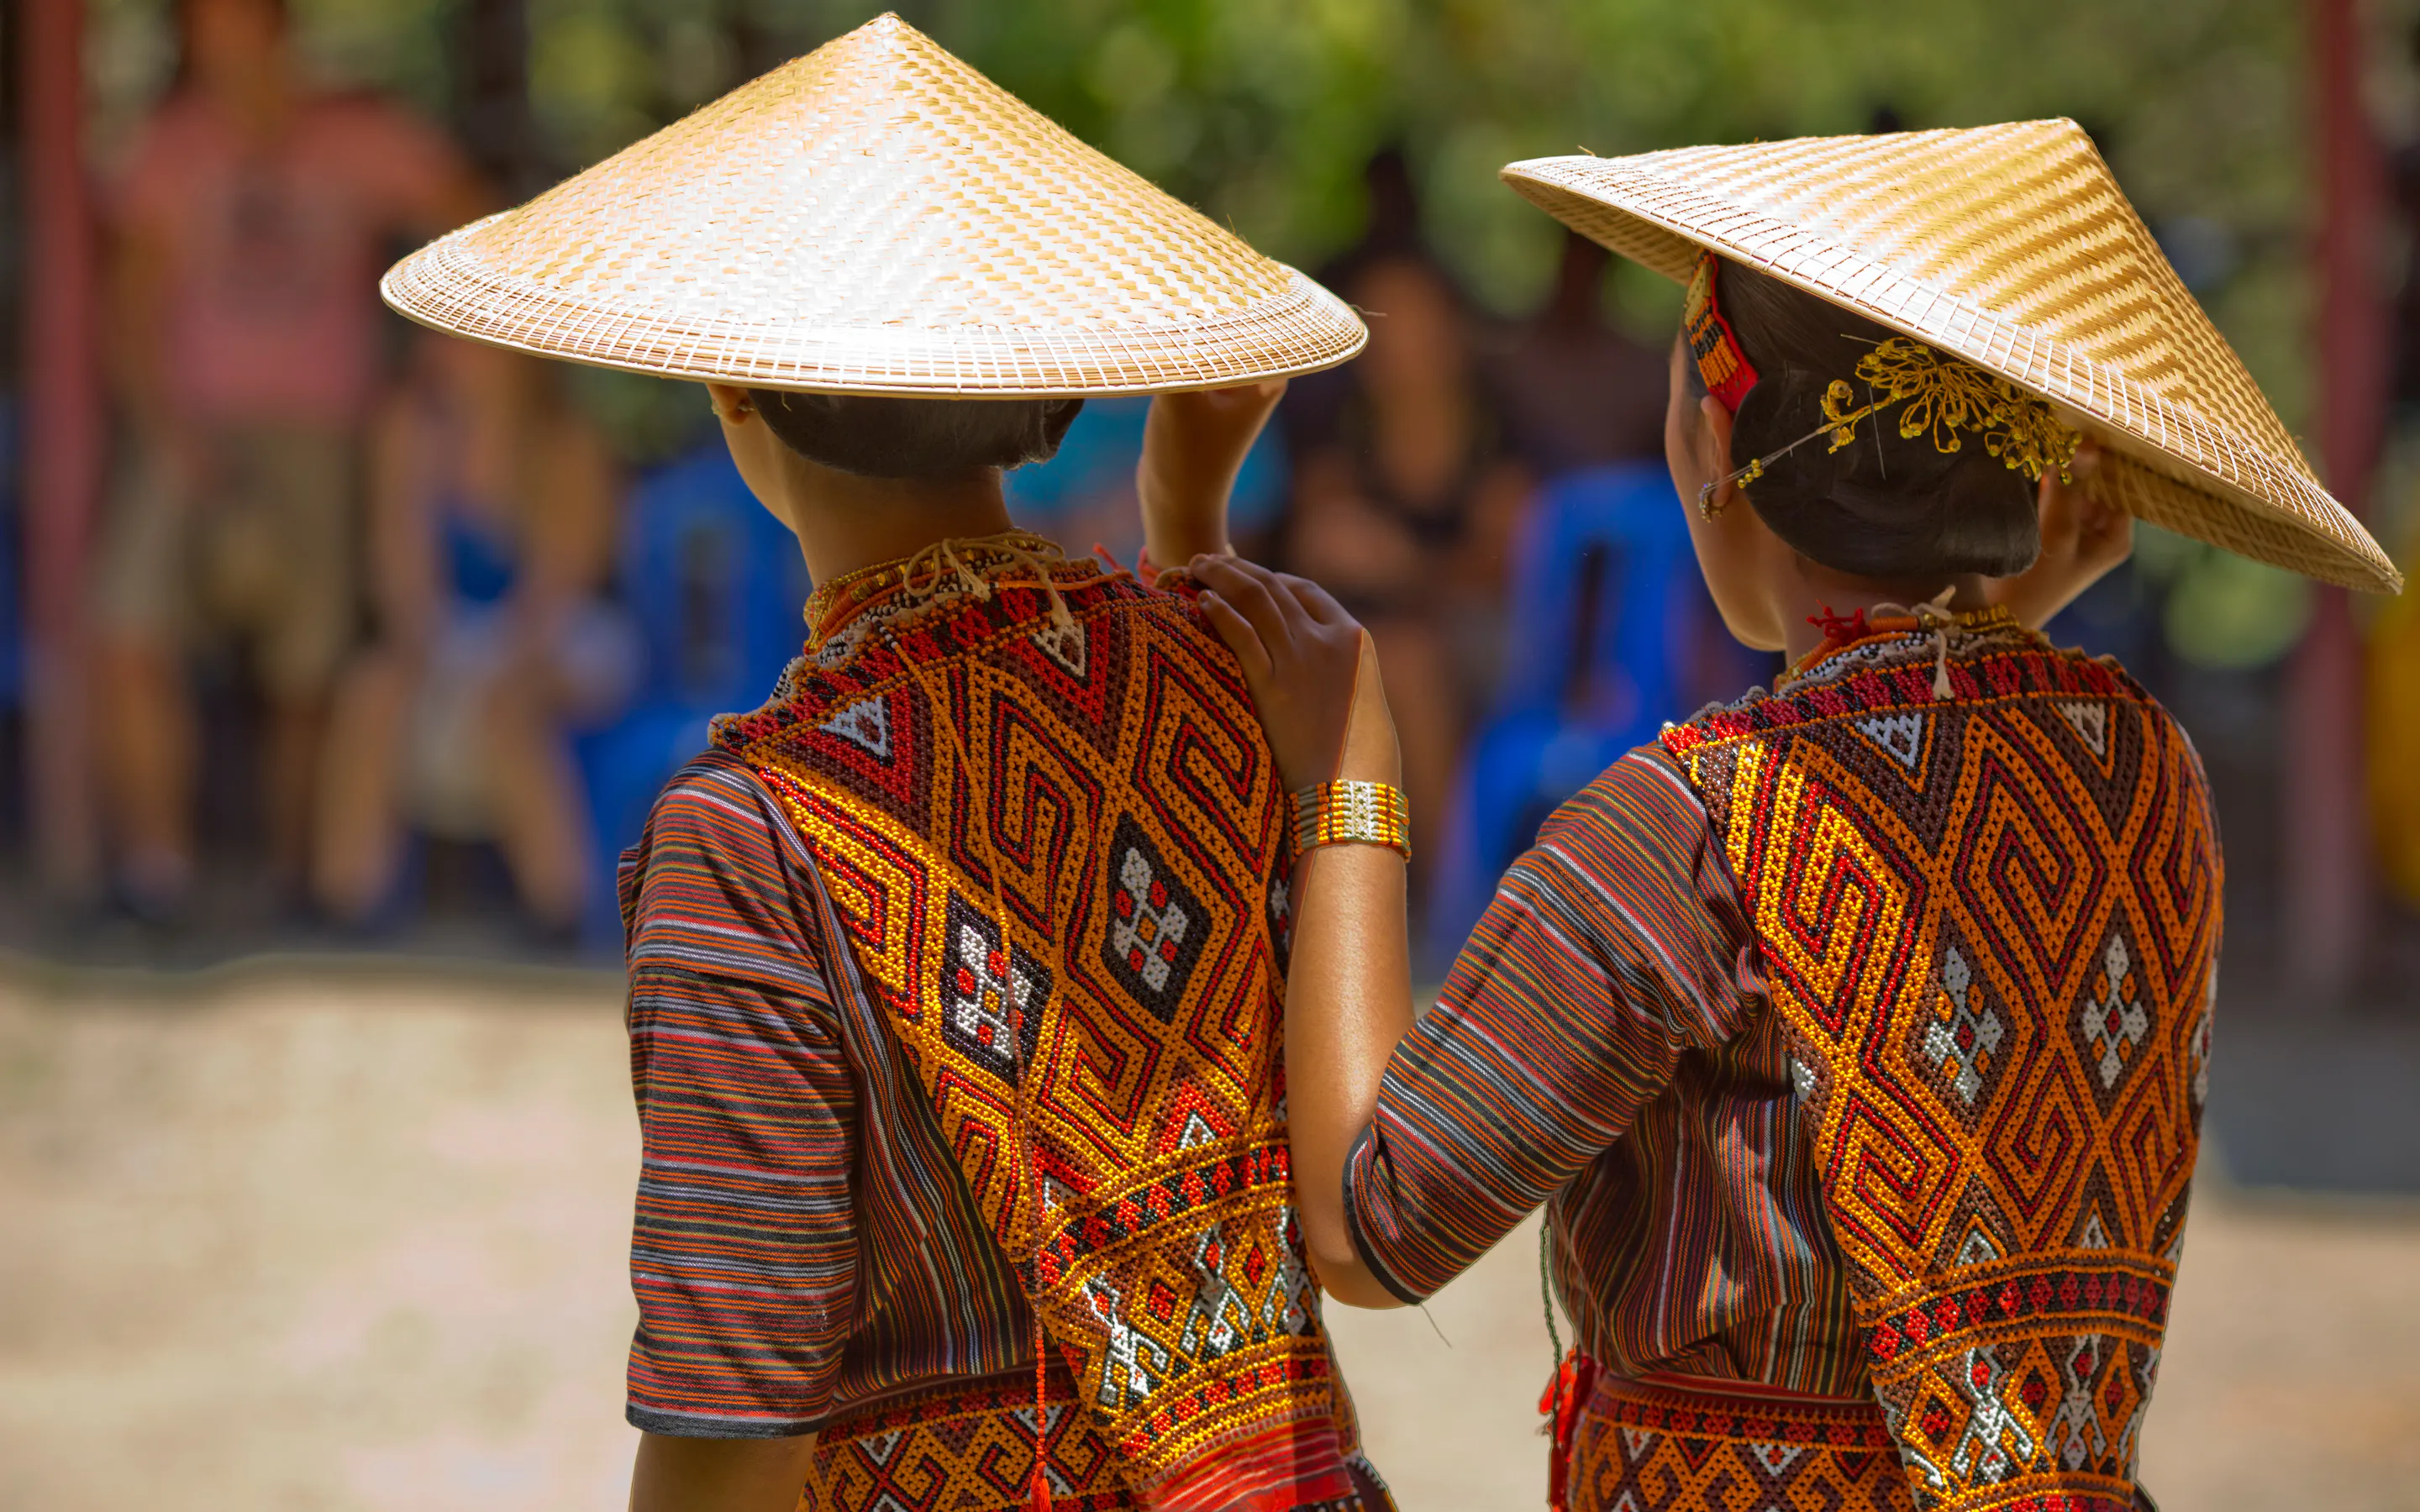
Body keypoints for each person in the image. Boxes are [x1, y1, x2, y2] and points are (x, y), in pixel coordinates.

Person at [1186, 119, 2399, 1512]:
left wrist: (1349, 763)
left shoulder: (1678, 835)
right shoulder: (2143, 772)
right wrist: (1997, 609)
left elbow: (1370, 1222)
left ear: (1712, 442)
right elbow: (1932, 750)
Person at [381, 18, 1386, 1512]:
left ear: (732, 393)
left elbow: (733, 1427)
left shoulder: (753, 839)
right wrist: (1195, 521)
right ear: (1053, 403)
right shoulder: (1256, 693)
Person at [92, 0, 478, 917]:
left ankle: (293, 876)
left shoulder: (356, 135)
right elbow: (129, 308)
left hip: (321, 439)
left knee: (310, 669)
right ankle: (158, 873)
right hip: (190, 434)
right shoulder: (167, 147)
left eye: (238, 22)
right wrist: (166, 436)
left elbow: (470, 214)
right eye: (204, 25)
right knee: (128, 632)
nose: (221, 41)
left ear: (279, 28)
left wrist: (441, 353)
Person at [311, 332, 630, 938]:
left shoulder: (567, 439)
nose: (441, 351)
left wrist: (487, 663)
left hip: (569, 630)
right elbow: (399, 563)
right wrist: (425, 652)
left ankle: (559, 909)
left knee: (507, 705)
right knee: (373, 690)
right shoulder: (408, 428)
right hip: (453, 628)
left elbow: (568, 577)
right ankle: (348, 901)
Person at [1281, 248, 1530, 911]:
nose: (1395, 339)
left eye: (1412, 318)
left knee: (1403, 661)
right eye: (1378, 321)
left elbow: (1509, 569)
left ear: (1452, 331)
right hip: (1373, 635)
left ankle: (1456, 904)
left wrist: (1407, 566)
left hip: (1491, 640)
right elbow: (1310, 550)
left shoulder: (1496, 432)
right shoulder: (1346, 434)